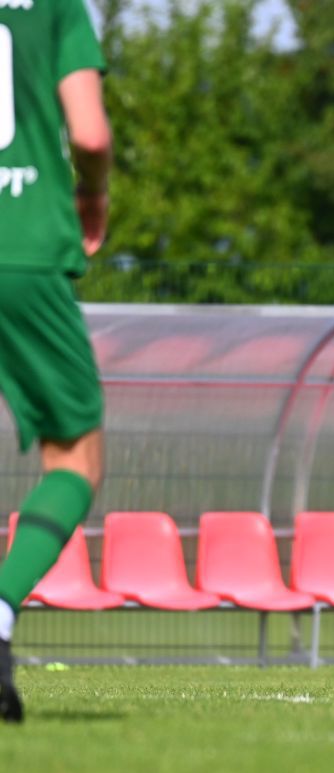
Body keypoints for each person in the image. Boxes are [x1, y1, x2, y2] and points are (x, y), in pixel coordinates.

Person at [0, 0, 113, 723]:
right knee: (75, 458)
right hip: (24, 246)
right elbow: (90, 132)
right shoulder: (56, 7)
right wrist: (93, 196)